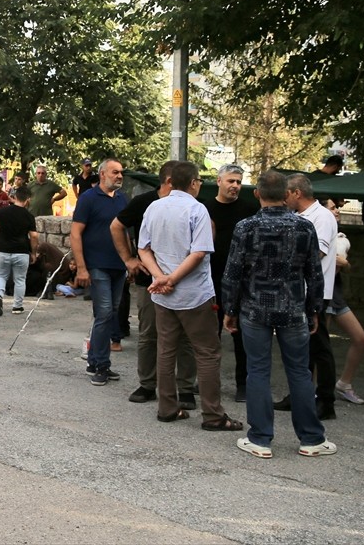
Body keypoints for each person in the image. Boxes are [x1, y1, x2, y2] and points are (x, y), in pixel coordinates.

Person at [222, 170, 335, 458]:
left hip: (255, 308)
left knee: (257, 370)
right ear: (287, 195)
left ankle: (260, 439)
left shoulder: (245, 227)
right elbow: (314, 272)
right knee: (299, 371)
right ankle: (311, 438)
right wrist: (315, 309)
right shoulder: (304, 227)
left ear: (257, 193)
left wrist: (230, 309)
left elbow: (233, 272)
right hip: (293, 308)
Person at [138, 161, 242, 432]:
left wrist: (160, 277)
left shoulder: (154, 207)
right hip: (195, 294)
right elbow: (199, 252)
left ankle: (167, 407)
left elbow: (143, 249)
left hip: (161, 294)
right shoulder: (198, 210)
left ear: (170, 182)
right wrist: (171, 279)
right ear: (194, 183)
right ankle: (213, 415)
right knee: (207, 353)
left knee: (166, 350)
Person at [111, 161, 197, 407]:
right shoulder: (144, 202)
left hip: (184, 280)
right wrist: (128, 259)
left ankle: (186, 388)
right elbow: (116, 226)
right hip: (150, 281)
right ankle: (148, 384)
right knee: (149, 334)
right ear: (169, 181)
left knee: (185, 336)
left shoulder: (193, 207)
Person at [280, 174, 339, 420]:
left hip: (315, 291)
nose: (284, 199)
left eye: (286, 194)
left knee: (319, 345)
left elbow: (318, 253)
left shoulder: (321, 217)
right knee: (301, 346)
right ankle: (300, 394)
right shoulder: (298, 217)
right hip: (298, 290)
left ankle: (326, 399)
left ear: (296, 193)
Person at [202, 163, 259, 402]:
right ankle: (207, 381)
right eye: (231, 181)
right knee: (209, 334)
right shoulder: (204, 209)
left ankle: (243, 385)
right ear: (219, 181)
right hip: (211, 278)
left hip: (242, 282)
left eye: (238, 182)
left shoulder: (249, 209)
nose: (235, 186)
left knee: (241, 335)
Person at [70, 158, 129, 386]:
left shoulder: (123, 199)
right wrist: (82, 268)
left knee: (109, 312)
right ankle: (102, 365)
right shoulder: (88, 198)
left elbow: (126, 233)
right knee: (104, 313)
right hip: (97, 265)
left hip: (119, 266)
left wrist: (130, 261)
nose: (119, 176)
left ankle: (94, 361)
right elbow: (76, 234)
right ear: (103, 174)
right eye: (115, 172)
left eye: (121, 172)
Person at [322, 197, 364, 405]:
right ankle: (316, 390)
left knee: (361, 338)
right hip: (322, 295)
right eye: (332, 208)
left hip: (337, 295)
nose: (337, 211)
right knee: (321, 345)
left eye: (337, 208)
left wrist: (343, 263)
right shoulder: (320, 232)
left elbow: (345, 266)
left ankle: (344, 383)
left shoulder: (340, 236)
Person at [0, 185, 38, 316]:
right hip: (21, 251)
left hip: (2, 249)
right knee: (20, 279)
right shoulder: (29, 216)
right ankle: (17, 306)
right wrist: (33, 252)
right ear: (28, 199)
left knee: (0, 276)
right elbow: (34, 236)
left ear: (15, 197)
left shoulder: (3, 211)